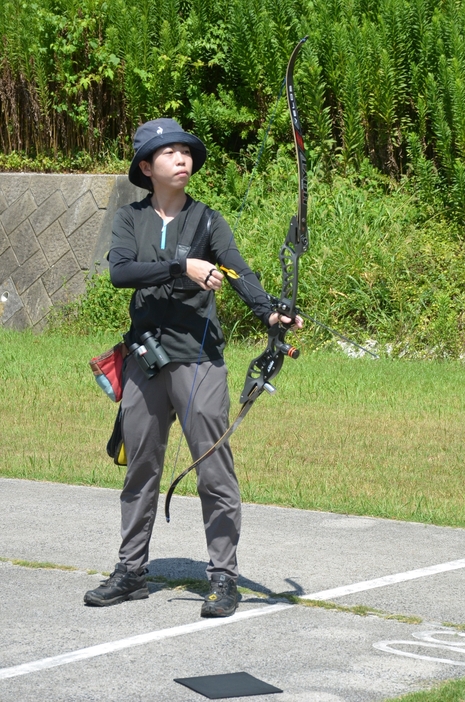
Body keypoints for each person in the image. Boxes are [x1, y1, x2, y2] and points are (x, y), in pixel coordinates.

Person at [84, 118, 302, 617]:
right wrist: (182, 267)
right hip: (145, 359)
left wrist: (268, 310)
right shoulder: (129, 219)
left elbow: (236, 269)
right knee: (140, 466)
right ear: (146, 167)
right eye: (168, 153)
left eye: (185, 151)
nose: (181, 158)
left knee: (212, 468)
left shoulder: (208, 220)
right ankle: (131, 572)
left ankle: (224, 579)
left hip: (199, 361)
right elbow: (121, 272)